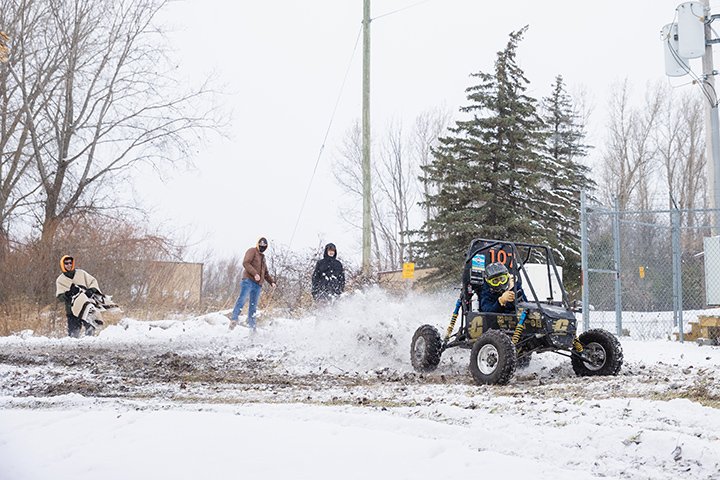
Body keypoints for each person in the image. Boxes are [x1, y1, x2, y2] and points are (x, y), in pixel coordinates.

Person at [229, 237, 276, 331]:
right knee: (242, 299)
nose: (262, 247)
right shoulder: (252, 251)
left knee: (253, 306)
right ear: (258, 244)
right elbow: (246, 263)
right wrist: (255, 274)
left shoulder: (263, 258)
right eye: (261, 245)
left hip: (258, 285)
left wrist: (272, 282)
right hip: (248, 281)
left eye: (264, 246)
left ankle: (252, 327)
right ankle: (234, 319)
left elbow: (265, 273)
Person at [55, 255, 101, 337]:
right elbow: (60, 296)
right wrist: (68, 294)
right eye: (66, 263)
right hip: (71, 310)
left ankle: (90, 346)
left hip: (85, 307)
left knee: (90, 330)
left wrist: (91, 290)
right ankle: (74, 348)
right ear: (63, 265)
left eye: (70, 263)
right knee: (73, 334)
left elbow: (93, 282)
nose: (69, 265)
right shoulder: (60, 280)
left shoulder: (81, 273)